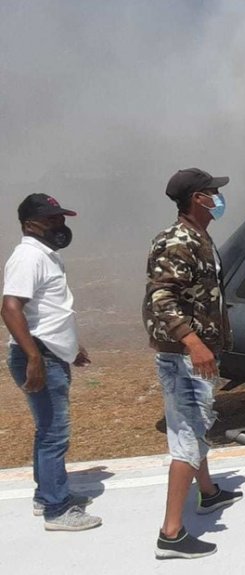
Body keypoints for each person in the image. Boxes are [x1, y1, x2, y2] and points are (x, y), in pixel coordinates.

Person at [144, 168, 243, 559]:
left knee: (195, 427)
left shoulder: (198, 237)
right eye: (212, 192)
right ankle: (171, 534)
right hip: (184, 356)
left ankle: (208, 492)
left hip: (192, 352)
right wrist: (192, 342)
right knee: (187, 437)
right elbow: (161, 297)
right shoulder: (177, 240)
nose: (218, 197)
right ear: (197, 199)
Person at [2, 194, 101, 532]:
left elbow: (49, 312)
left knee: (47, 430)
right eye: (52, 219)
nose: (60, 224)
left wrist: (72, 348)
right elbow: (11, 307)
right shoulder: (28, 256)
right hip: (39, 356)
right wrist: (33, 357)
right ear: (31, 223)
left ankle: (46, 495)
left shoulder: (45, 256)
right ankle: (57, 511)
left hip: (49, 352)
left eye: (61, 217)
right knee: (54, 434)